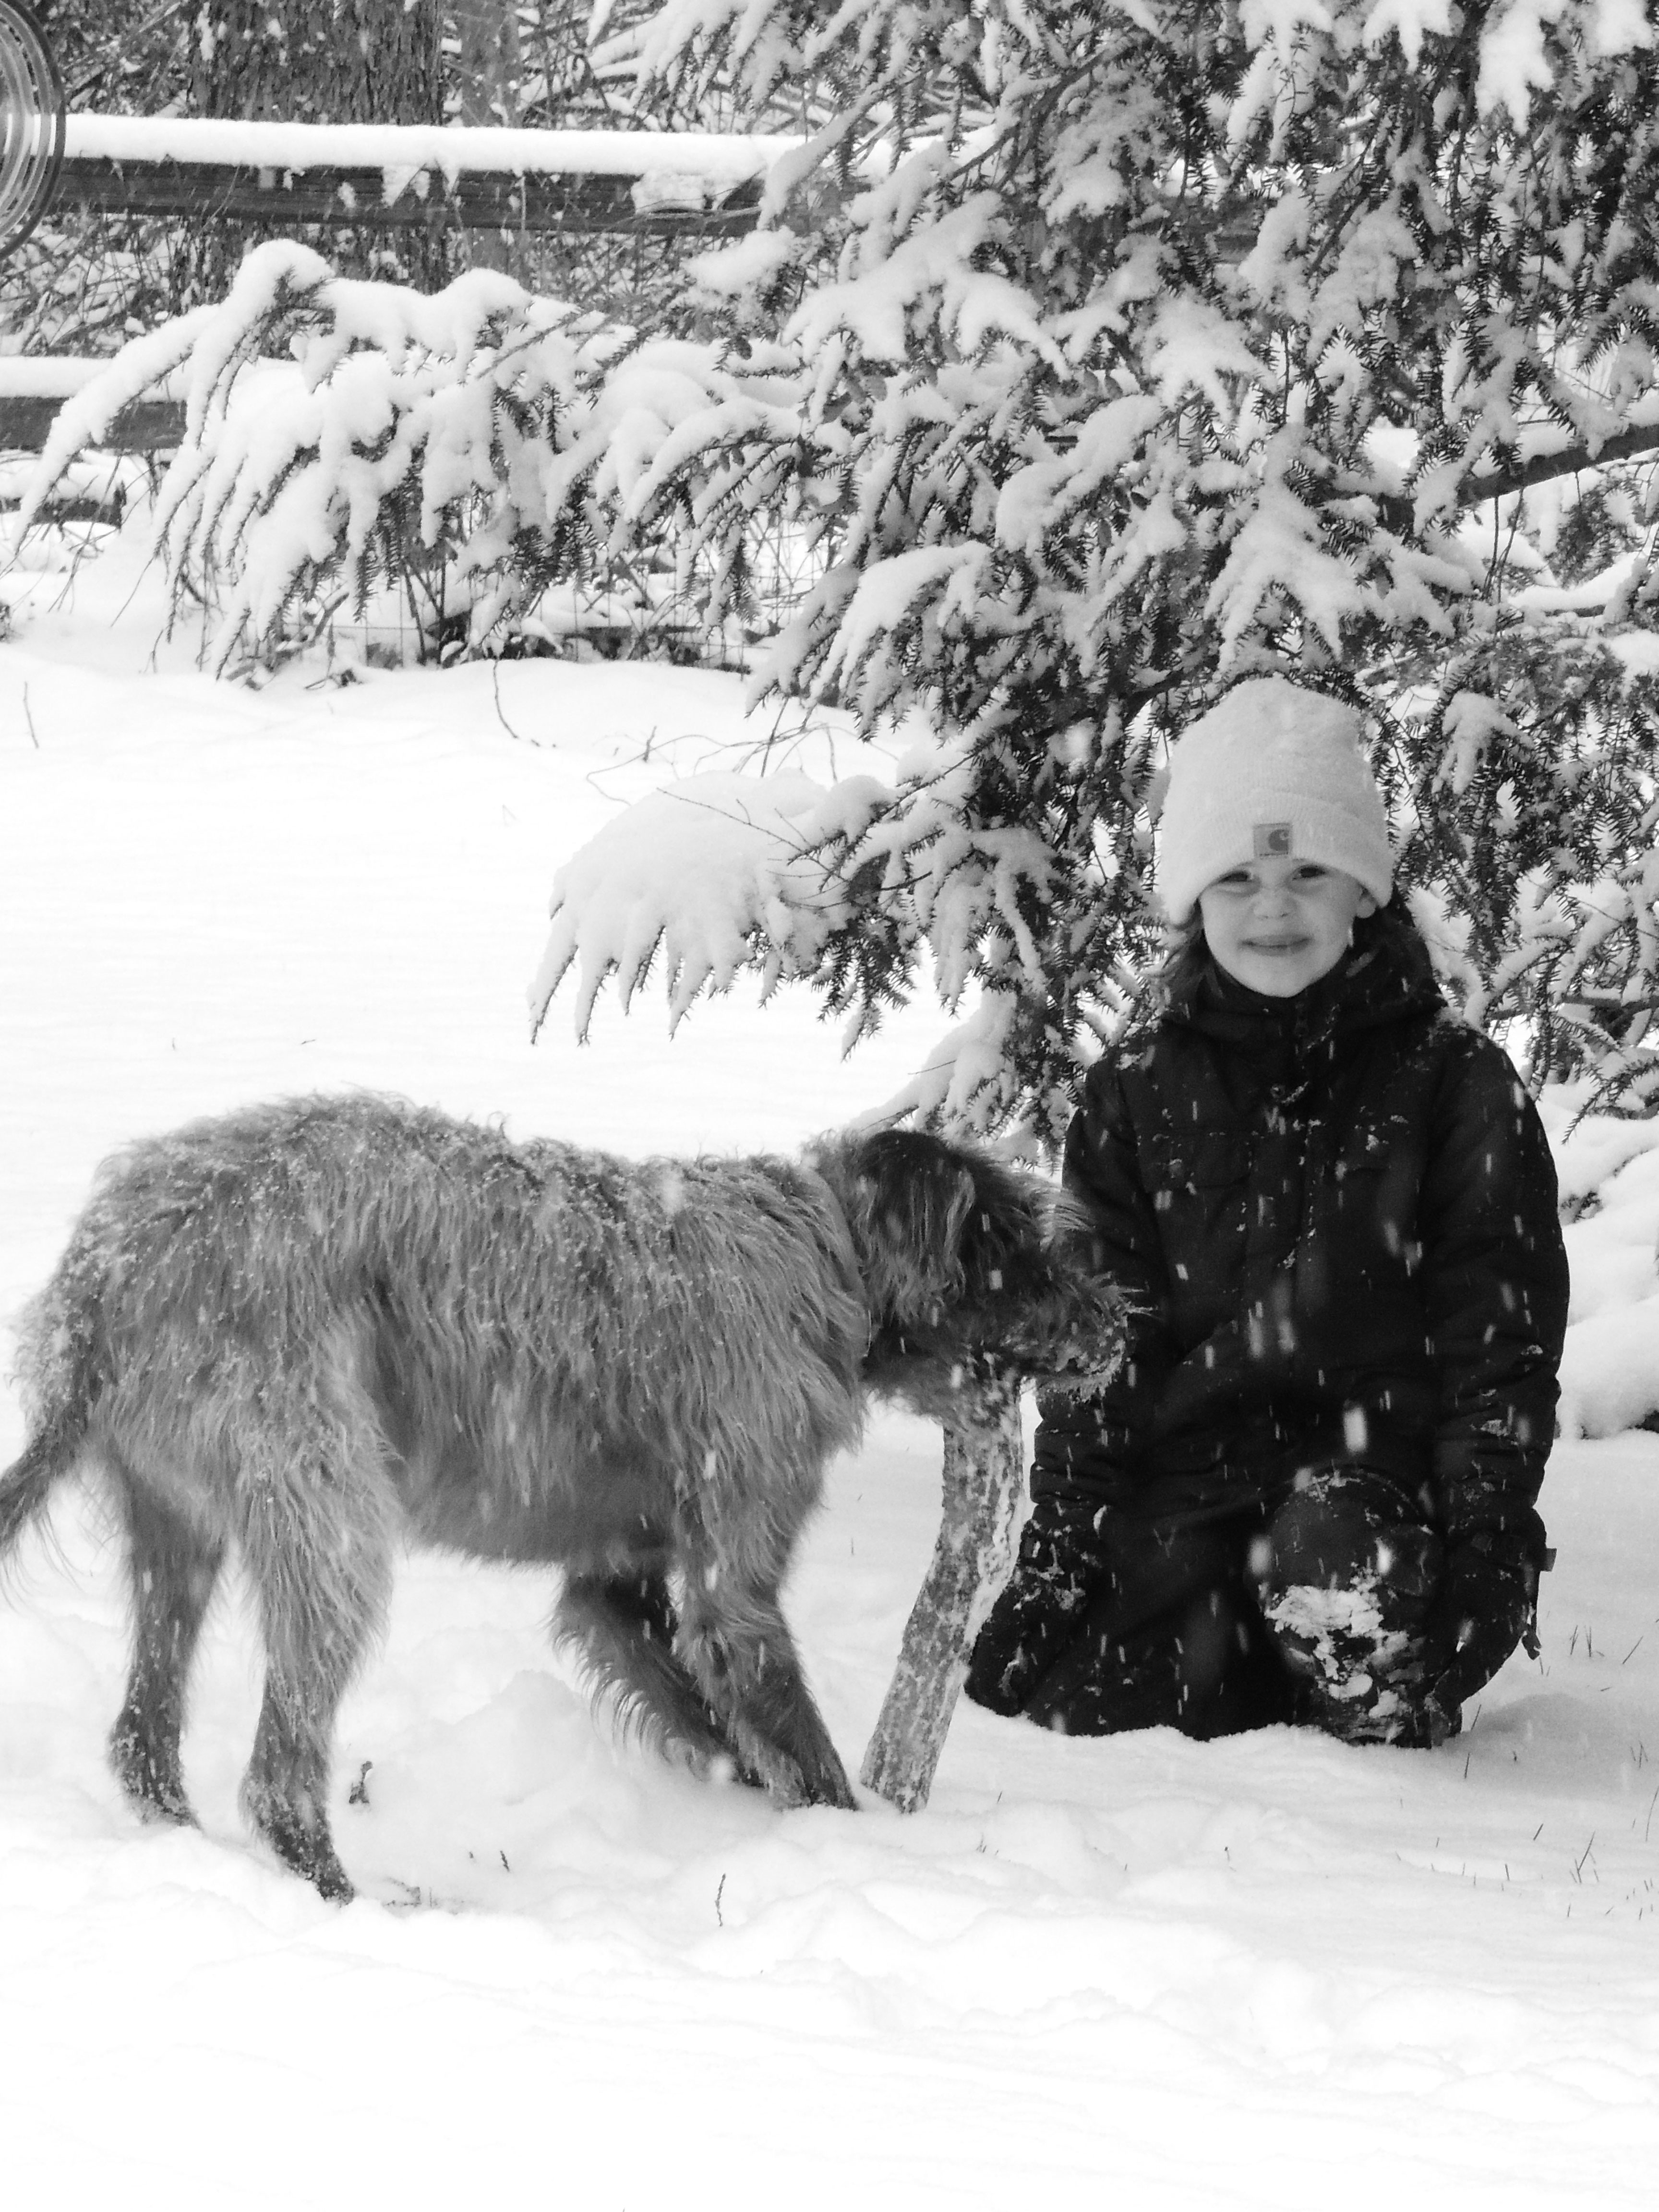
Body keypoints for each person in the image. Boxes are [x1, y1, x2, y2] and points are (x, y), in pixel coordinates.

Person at [964, 677, 1570, 1747]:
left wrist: (1488, 1546)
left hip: (1378, 1496)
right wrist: (1061, 1557)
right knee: (1088, 1728)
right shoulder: (1134, 1094)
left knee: (1333, 1561)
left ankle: (1374, 1701)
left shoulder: (1457, 1084)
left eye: (1309, 873)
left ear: (1365, 893)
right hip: (1198, 1498)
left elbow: (1499, 1345)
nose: (1273, 909)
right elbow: (1098, 1355)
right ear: (1194, 902)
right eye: (1237, 877)